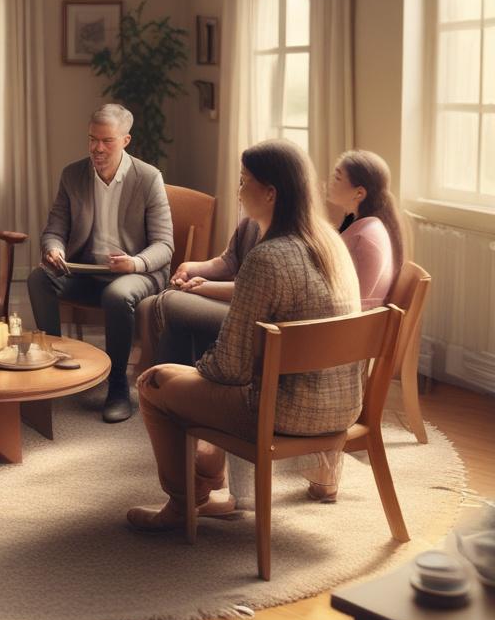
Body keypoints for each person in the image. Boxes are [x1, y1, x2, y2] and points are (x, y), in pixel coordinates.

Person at [127, 139, 362, 532]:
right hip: (343, 405)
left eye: (243, 181)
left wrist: (185, 373)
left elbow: (230, 369)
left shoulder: (267, 258)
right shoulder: (331, 242)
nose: (238, 190)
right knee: (200, 375)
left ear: (270, 193)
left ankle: (183, 503)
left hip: (285, 411)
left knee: (154, 383)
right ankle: (208, 481)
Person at [28, 104, 174, 423]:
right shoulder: (73, 175)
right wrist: (54, 249)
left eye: (106, 141)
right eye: (92, 139)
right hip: (86, 272)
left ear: (126, 140)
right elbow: (55, 229)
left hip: (138, 273)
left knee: (117, 295)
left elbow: (165, 246)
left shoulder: (148, 178)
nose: (97, 148)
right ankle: (56, 366)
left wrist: (134, 263)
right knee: (40, 278)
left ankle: (118, 385)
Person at [150, 217, 261, 367]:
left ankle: (167, 384)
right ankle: (171, 383)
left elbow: (252, 291)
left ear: (270, 195)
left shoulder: (277, 244)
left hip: (254, 317)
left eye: (245, 191)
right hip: (235, 303)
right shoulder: (250, 222)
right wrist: (189, 268)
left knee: (173, 302)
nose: (240, 194)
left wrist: (202, 287)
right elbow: (229, 262)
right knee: (177, 320)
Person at [326, 150, 404, 310]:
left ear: (359, 193)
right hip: (354, 320)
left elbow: (355, 303)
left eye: (337, 178)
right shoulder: (360, 224)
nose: (330, 182)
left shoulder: (365, 235)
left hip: (354, 327)